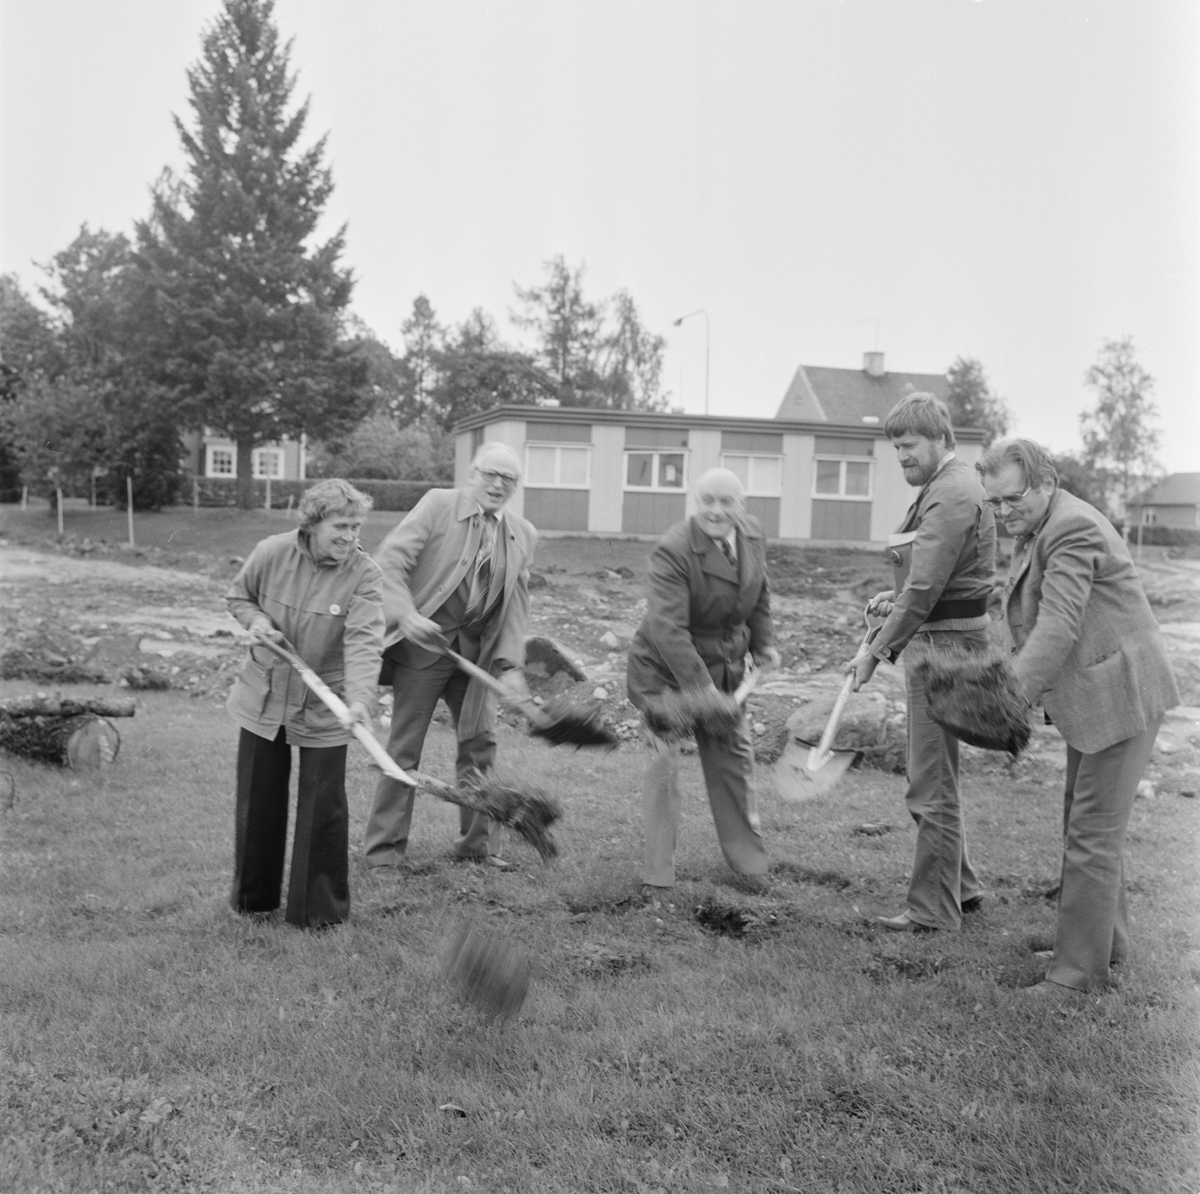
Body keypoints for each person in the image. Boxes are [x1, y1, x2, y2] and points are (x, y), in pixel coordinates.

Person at [977, 439, 1179, 995]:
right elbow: (1022, 610)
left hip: (1120, 695)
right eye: (993, 503)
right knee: (1085, 826)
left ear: (1045, 482)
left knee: (1091, 834)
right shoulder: (1038, 525)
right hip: (1097, 694)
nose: (1002, 512)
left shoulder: (1071, 528)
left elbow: (1059, 625)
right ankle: (1102, 946)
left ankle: (1075, 978)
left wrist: (1008, 699)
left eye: (1011, 499)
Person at [847, 392, 997, 932]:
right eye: (896, 448)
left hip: (944, 647)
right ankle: (962, 887)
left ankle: (934, 911)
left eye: (908, 445)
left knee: (929, 781)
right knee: (936, 776)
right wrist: (896, 602)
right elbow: (929, 577)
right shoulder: (943, 487)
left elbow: (930, 585)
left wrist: (875, 651)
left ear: (940, 440)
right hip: (942, 639)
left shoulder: (952, 492)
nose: (902, 457)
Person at [364, 443, 537, 874]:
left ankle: (478, 847)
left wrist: (510, 667)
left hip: (476, 657)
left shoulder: (522, 533)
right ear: (473, 473)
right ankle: (384, 854)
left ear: (516, 486)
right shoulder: (439, 505)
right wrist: (404, 614)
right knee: (404, 748)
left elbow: (516, 604)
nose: (498, 485)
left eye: (508, 479)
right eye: (490, 474)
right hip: (424, 650)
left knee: (481, 746)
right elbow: (390, 562)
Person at [225, 479, 383, 929]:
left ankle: (318, 914)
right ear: (313, 523)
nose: (350, 537)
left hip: (326, 702)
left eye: (356, 527)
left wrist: (359, 701)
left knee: (323, 806)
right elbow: (239, 596)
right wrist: (257, 621)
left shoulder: (365, 574)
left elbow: (365, 643)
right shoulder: (272, 552)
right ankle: (252, 902)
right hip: (266, 694)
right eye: (341, 526)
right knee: (259, 797)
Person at [627, 467, 781, 904]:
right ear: (695, 502)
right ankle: (658, 877)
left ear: (742, 506)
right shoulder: (673, 549)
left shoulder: (752, 535)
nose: (716, 510)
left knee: (733, 759)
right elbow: (667, 629)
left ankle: (748, 864)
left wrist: (764, 645)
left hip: (724, 669)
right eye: (707, 501)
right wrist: (704, 693)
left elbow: (760, 593)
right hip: (664, 671)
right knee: (663, 768)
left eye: (726, 501)